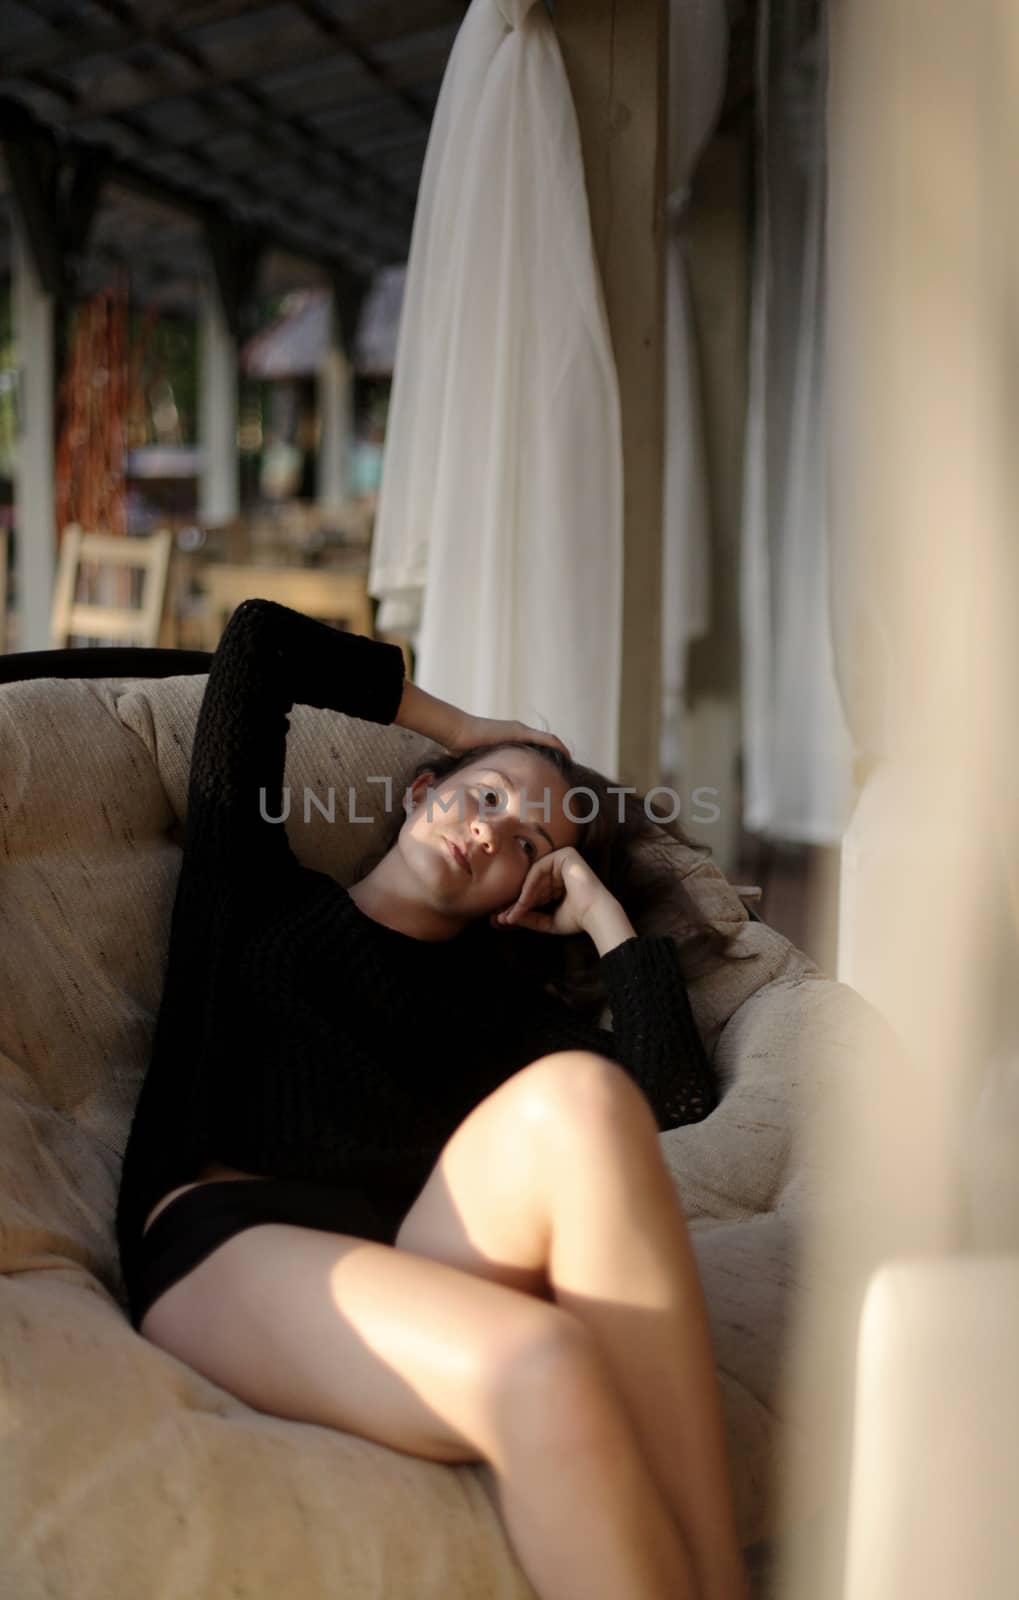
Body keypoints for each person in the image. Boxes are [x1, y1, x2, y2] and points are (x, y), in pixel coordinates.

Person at [115, 597, 751, 1600]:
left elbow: (667, 1099)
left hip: (398, 1252)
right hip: (223, 1236)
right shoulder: (256, 890)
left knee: (582, 1096)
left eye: (526, 839)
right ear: (421, 795)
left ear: (525, 890)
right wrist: (470, 729)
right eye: (485, 795)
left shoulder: (497, 1018)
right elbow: (256, 645)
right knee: (539, 1360)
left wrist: (599, 914)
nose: (491, 829)